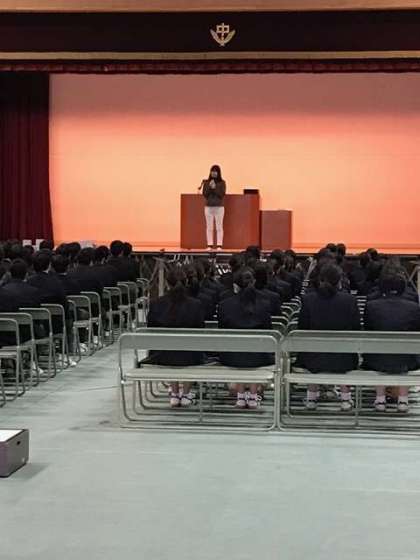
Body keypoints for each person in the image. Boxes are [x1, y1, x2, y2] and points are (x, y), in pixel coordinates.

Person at [297, 263, 360, 411]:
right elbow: (356, 329)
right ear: (339, 281)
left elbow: (302, 329)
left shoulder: (308, 299)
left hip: (313, 359)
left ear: (320, 279)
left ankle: (311, 397)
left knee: (310, 348)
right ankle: (346, 398)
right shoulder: (350, 300)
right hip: (344, 359)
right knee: (344, 350)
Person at [363, 266, 420, 413]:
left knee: (377, 351)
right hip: (407, 359)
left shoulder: (371, 306)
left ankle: (380, 399)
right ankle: (403, 400)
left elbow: (368, 331)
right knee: (406, 352)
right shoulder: (414, 307)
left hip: (376, 358)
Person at [146, 267, 205, 408]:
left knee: (170, 347)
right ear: (186, 283)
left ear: (167, 284)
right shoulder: (196, 305)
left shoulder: (156, 303)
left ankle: (174, 393)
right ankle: (186, 394)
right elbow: (200, 330)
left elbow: (151, 329)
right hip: (190, 356)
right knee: (190, 347)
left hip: (161, 355)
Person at [218, 268, 274, 409]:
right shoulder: (264, 304)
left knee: (239, 350)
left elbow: (222, 331)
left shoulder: (224, 305)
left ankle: (241, 396)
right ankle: (253, 396)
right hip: (260, 357)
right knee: (255, 351)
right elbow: (268, 331)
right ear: (253, 282)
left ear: (235, 286)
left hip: (231, 356)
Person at [200, 164, 226, 250]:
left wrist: (214, 187)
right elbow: (205, 194)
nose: (213, 173)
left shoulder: (222, 182)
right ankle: (209, 245)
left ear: (218, 173)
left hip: (219, 207)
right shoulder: (207, 182)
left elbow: (221, 194)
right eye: (212, 171)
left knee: (219, 227)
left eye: (215, 171)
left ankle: (219, 245)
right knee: (209, 227)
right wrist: (210, 187)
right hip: (208, 207)